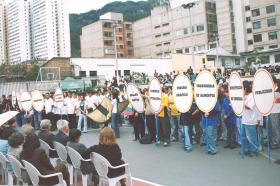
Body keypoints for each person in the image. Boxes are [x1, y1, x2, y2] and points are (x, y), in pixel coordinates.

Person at [241, 81, 260, 157]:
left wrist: (241, 102)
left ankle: (254, 150)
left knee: (251, 137)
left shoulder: (252, 96)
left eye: (241, 88)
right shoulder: (245, 96)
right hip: (244, 120)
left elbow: (249, 107)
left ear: (245, 88)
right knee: (244, 136)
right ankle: (246, 150)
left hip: (251, 120)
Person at [222, 84, 237, 149]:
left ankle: (232, 144)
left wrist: (227, 115)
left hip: (232, 118)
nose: (226, 94)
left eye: (227, 93)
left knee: (232, 131)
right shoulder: (225, 99)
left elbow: (233, 109)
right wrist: (224, 115)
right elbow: (224, 108)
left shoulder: (233, 100)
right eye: (225, 93)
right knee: (228, 130)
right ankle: (228, 143)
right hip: (226, 118)